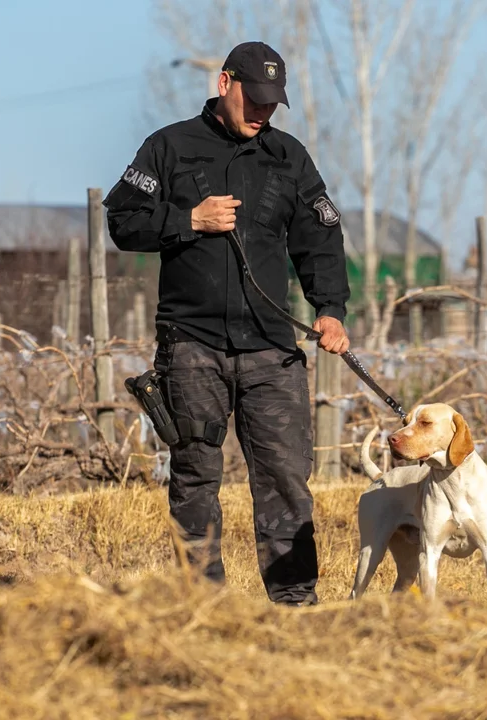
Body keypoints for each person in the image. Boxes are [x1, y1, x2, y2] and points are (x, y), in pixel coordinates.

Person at [103, 41, 350, 606]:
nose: (262, 111)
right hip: (191, 345)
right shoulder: (168, 146)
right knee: (194, 479)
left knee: (286, 479)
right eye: (253, 99)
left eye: (272, 103)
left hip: (270, 348)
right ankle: (205, 606)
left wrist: (330, 309)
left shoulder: (289, 156)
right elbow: (122, 221)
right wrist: (188, 219)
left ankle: (295, 605)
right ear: (224, 84)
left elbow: (320, 238)